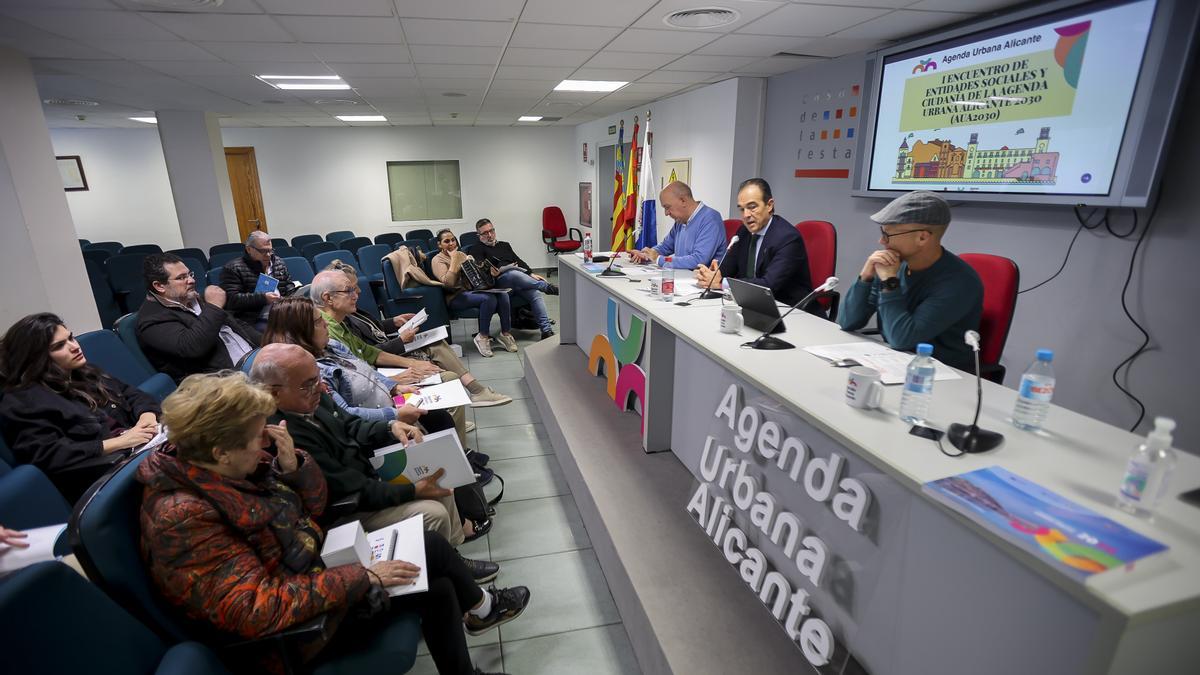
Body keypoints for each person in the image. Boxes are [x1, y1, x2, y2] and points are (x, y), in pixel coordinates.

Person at [138, 371, 528, 675]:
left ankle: (478, 616)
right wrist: (363, 577)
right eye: (257, 437)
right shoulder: (182, 518)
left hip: (311, 574)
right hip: (292, 632)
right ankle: (482, 608)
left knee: (436, 575)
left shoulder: (231, 466)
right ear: (221, 450)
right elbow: (253, 610)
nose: (265, 444)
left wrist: (293, 469)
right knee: (430, 565)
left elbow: (313, 508)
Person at [249, 344, 492, 547]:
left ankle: (453, 556)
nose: (321, 388)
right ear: (274, 393)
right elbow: (344, 485)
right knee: (434, 512)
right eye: (308, 384)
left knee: (437, 480)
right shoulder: (283, 434)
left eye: (318, 379)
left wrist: (389, 427)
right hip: (346, 508)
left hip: (365, 477)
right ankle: (444, 563)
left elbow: (351, 424)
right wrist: (412, 491)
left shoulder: (311, 398)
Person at [260, 296, 468, 450]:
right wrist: (395, 415)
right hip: (376, 425)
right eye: (316, 322)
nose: (324, 324)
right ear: (299, 331)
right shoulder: (311, 370)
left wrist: (394, 387)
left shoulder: (331, 345)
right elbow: (345, 414)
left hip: (391, 401)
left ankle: (464, 465)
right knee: (436, 428)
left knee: (441, 419)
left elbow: (365, 367)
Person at [0, 313, 161, 503]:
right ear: (36, 358)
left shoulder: (83, 371)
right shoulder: (22, 400)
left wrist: (146, 416)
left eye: (70, 337)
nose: (74, 346)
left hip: (141, 448)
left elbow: (130, 393)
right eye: (59, 346)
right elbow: (49, 454)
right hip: (106, 478)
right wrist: (121, 442)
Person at [322, 260, 511, 408]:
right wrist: (400, 341)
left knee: (436, 342)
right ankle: (474, 391)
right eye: (351, 289)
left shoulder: (349, 313)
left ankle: (473, 393)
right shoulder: (338, 323)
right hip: (386, 361)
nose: (358, 292)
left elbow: (372, 328)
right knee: (436, 349)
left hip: (388, 350)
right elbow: (370, 352)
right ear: (329, 297)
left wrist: (393, 321)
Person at [838, 190, 983, 371]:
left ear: (922, 237)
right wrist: (865, 277)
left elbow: (901, 339)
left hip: (941, 374)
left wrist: (890, 282)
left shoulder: (959, 282)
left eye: (888, 234)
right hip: (898, 363)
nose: (882, 240)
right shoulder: (894, 265)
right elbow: (847, 322)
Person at [137, 253, 261, 383]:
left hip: (250, 361)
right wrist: (214, 307)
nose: (191, 280)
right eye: (181, 278)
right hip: (220, 381)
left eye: (190, 274)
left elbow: (237, 325)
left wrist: (267, 342)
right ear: (159, 286)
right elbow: (193, 347)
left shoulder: (192, 298)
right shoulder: (152, 319)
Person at [694, 178, 815, 308]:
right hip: (751, 305)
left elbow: (768, 285)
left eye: (752, 207)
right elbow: (728, 268)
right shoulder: (743, 232)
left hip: (789, 309)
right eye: (742, 209)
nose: (746, 215)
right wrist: (711, 275)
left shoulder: (788, 238)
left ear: (769, 205)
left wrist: (720, 283)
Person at [309, 271, 442, 383]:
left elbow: (369, 352)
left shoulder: (340, 323)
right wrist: (393, 381)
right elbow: (351, 379)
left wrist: (413, 364)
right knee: (446, 378)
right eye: (348, 291)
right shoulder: (326, 333)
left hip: (374, 379)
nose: (356, 295)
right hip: (372, 389)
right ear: (328, 298)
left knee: (439, 371)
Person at [466, 218, 559, 340]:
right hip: (499, 284)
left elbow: (518, 261)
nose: (489, 235)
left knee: (534, 293)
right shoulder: (476, 249)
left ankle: (546, 331)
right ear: (479, 235)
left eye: (491, 231)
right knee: (512, 274)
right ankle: (545, 287)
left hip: (517, 281)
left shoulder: (504, 245)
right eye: (485, 233)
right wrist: (494, 270)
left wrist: (531, 274)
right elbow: (480, 269)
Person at [430, 229, 516, 358]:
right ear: (439, 245)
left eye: (453, 240)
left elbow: (475, 279)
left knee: (503, 295)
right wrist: (454, 260)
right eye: (446, 241)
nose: (451, 243)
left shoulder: (461, 254)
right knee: (488, 299)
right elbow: (449, 283)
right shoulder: (438, 260)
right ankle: (482, 336)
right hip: (455, 297)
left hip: (471, 291)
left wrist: (483, 269)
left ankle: (505, 334)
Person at [629, 181, 725, 270]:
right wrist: (646, 254)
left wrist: (659, 259)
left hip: (700, 284)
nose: (666, 213)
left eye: (667, 207)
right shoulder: (681, 221)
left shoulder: (710, 219)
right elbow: (665, 247)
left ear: (683, 201)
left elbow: (698, 260)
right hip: (682, 279)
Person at [219, 230, 295, 331]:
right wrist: (263, 298)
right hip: (253, 319)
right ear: (249, 249)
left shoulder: (278, 262)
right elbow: (232, 300)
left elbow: (288, 285)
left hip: (281, 312)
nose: (268, 255)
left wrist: (295, 293)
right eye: (263, 251)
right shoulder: (233, 268)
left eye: (270, 250)